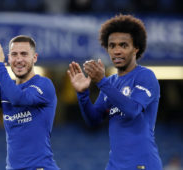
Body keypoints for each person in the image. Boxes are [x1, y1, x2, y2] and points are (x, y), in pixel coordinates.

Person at [67, 14, 163, 170]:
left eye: (123, 45)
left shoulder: (145, 76)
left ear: (136, 48)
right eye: (112, 46)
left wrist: (101, 82)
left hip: (142, 164)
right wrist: (83, 94)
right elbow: (93, 120)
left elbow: (132, 110)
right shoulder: (111, 82)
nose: (116, 51)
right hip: (115, 166)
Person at [0, 35, 59, 170]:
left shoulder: (44, 84)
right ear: (9, 58)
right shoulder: (5, 88)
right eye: (14, 54)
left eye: (24, 54)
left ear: (34, 58)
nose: (18, 59)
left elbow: (18, 99)